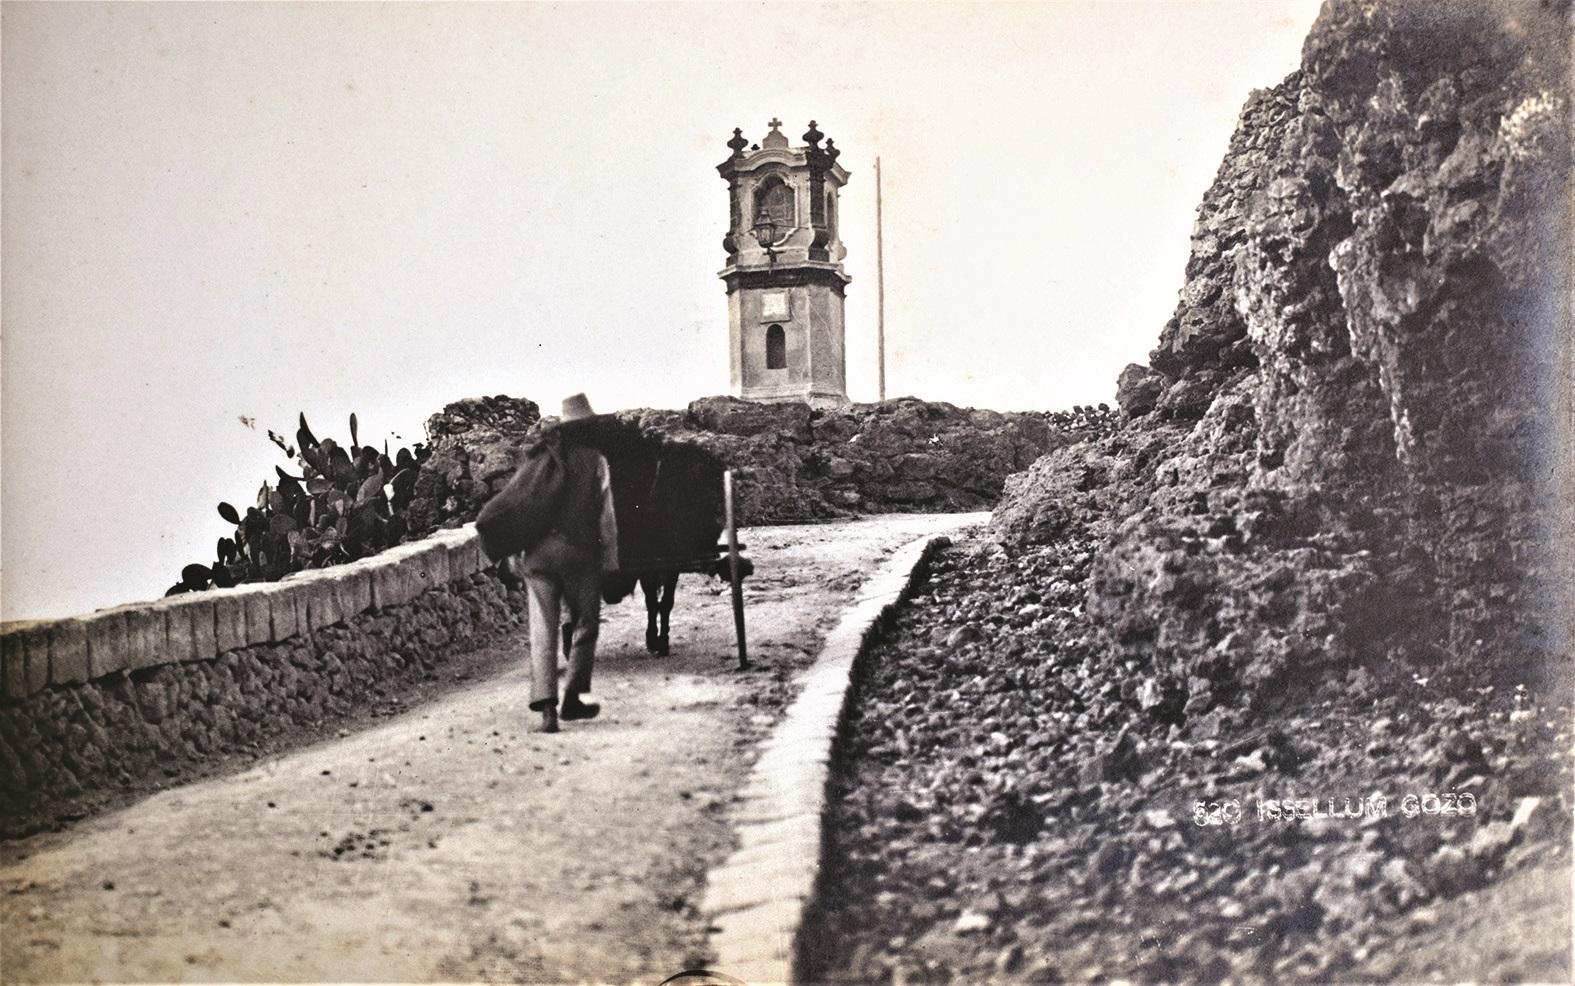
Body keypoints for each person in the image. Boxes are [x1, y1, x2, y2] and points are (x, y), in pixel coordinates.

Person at [516, 393, 620, 733]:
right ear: (587, 428)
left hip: (539, 556)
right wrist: (611, 563)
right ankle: (572, 697)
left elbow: (520, 507)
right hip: (579, 555)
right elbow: (606, 519)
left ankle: (546, 708)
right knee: (585, 623)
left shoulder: (536, 460)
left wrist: (518, 552)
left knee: (542, 630)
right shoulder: (596, 461)